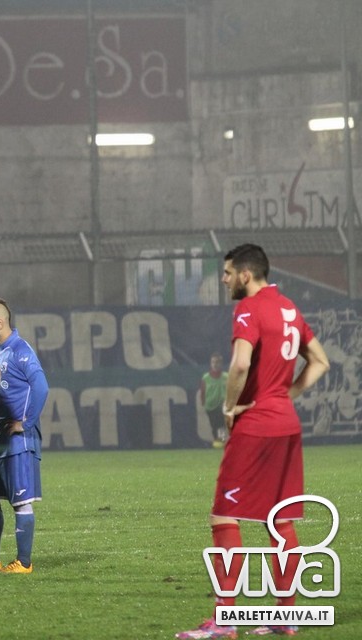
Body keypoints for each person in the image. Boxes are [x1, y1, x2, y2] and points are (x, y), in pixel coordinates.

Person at [176, 244, 330, 640]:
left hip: (256, 425)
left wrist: (230, 407)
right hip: (286, 425)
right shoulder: (289, 308)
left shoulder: (249, 308)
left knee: (224, 516)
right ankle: (286, 614)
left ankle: (224, 620)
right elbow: (321, 361)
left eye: (228, 273)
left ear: (246, 275)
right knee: (281, 520)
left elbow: (241, 363)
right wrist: (286, 396)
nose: (224, 279)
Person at [0, 297, 49, 574]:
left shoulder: (20, 350)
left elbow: (41, 386)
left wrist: (26, 423)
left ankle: (24, 562)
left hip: (19, 440)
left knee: (21, 501)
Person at [200, 353, 227, 448]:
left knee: (221, 424)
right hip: (210, 406)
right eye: (213, 362)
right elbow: (203, 391)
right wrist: (203, 403)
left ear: (221, 363)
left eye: (217, 362)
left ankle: (222, 441)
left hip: (223, 405)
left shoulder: (226, 377)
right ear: (211, 363)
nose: (215, 364)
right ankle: (217, 440)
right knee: (214, 424)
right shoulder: (206, 377)